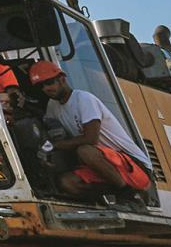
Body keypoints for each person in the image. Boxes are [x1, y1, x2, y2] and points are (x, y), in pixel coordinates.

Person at [29, 61, 153, 199]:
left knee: (85, 150)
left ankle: (130, 195)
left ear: (62, 79)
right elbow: (49, 129)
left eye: (49, 82)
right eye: (41, 86)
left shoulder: (84, 99)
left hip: (134, 167)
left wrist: (53, 146)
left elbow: (91, 139)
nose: (46, 88)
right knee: (67, 183)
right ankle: (111, 199)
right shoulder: (53, 106)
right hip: (103, 167)